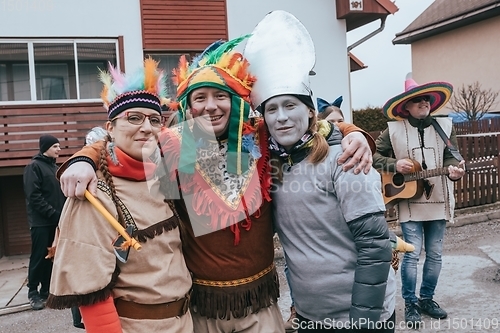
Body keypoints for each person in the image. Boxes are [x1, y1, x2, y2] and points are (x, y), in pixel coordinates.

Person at [55, 38, 374, 332]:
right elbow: (122, 144)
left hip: (260, 303)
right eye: (200, 98)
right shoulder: (173, 146)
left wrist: (351, 131)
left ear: (236, 101)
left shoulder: (263, 136)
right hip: (202, 307)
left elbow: (314, 126)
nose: (211, 106)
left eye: (221, 96)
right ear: (187, 107)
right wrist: (83, 157)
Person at [244, 10, 396, 333]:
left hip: (360, 318)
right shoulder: (271, 168)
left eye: (291, 106)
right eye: (272, 108)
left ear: (310, 112)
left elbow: (375, 245)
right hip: (312, 319)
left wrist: (364, 322)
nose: (282, 117)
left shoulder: (346, 160)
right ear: (264, 118)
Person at [46, 58, 193, 333]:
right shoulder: (94, 192)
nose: (147, 128)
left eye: (154, 120)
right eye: (134, 118)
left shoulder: (163, 174)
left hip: (185, 322)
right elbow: (91, 291)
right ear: (110, 128)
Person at [372, 75, 466, 327]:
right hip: (410, 202)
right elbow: (374, 157)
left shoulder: (445, 127)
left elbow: (451, 158)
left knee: (435, 254)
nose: (424, 102)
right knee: (412, 254)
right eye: (418, 100)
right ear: (407, 107)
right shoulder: (392, 130)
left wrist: (454, 171)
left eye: (426, 99)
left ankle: (427, 299)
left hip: (439, 198)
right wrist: (395, 164)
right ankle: (410, 303)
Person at [23, 135, 66, 311]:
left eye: (59, 146)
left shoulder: (54, 168)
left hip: (55, 221)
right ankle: (33, 292)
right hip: (41, 222)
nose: (59, 149)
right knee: (39, 256)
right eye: (55, 146)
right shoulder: (33, 167)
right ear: (45, 148)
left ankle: (46, 292)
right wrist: (53, 214)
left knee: (52, 256)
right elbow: (34, 197)